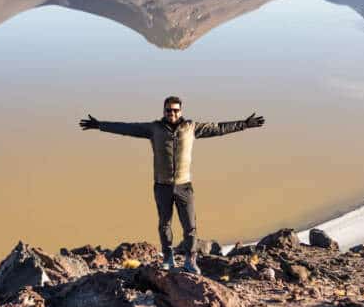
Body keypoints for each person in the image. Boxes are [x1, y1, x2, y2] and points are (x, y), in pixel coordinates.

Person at [80, 96, 265, 274]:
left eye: (175, 110)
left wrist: (244, 124)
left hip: (184, 185)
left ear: (181, 111)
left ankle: (190, 260)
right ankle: (168, 258)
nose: (172, 114)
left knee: (190, 227)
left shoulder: (191, 127)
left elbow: (218, 128)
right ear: (164, 111)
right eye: (169, 110)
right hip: (162, 186)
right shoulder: (154, 129)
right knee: (164, 224)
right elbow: (127, 128)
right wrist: (100, 125)